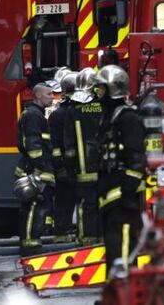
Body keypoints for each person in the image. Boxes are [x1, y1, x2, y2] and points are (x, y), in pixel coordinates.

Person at [95, 65, 147, 275]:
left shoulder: (128, 118)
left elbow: (136, 159)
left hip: (123, 199)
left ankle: (125, 290)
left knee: (123, 247)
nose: (98, 92)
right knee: (113, 247)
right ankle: (115, 292)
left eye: (101, 88)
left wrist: (127, 193)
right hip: (110, 197)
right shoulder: (109, 116)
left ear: (112, 88)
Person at [15, 83, 56, 255]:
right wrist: (39, 168)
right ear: (38, 96)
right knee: (34, 206)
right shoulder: (33, 115)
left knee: (37, 206)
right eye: (48, 93)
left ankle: (32, 242)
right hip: (35, 170)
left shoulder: (36, 114)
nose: (52, 97)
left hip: (36, 168)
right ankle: (30, 246)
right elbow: (32, 145)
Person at [65, 67, 104, 246]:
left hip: (82, 169)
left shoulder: (73, 110)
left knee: (85, 205)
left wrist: (70, 166)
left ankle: (87, 240)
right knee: (103, 203)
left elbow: (69, 142)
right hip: (105, 168)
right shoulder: (104, 106)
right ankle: (102, 237)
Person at [49, 70, 77, 243]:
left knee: (63, 202)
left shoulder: (56, 114)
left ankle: (61, 236)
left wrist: (59, 166)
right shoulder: (81, 111)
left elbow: (54, 144)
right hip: (80, 166)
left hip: (64, 167)